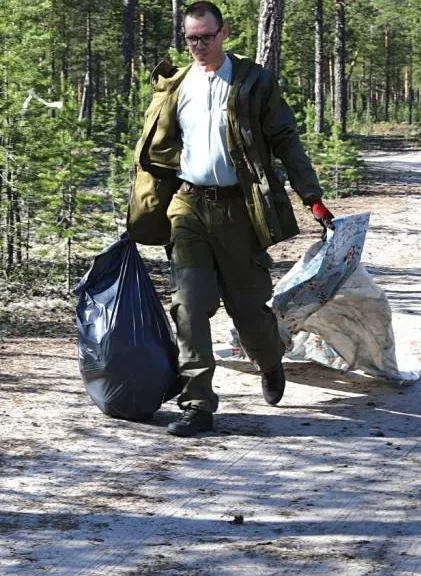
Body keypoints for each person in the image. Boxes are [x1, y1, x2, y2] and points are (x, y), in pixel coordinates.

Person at [127, 1, 335, 437]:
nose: (198, 45)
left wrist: (311, 196)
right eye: (191, 38)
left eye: (206, 36)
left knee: (249, 310)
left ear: (224, 34)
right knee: (189, 304)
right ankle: (198, 404)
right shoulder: (177, 85)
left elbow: (285, 140)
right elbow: (156, 153)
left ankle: (269, 361)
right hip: (187, 206)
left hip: (240, 210)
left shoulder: (253, 82)